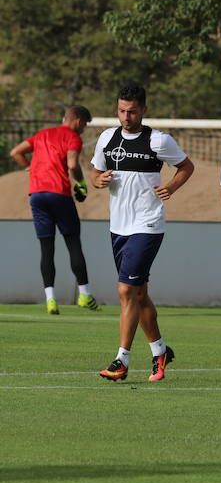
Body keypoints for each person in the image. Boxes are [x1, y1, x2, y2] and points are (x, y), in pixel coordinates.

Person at [91, 83, 194, 383]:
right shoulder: (106, 138)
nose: (126, 116)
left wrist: (171, 186)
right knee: (138, 293)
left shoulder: (158, 140)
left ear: (144, 110)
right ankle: (160, 351)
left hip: (147, 225)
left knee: (125, 290)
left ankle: (121, 360)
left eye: (132, 111)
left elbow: (187, 166)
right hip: (118, 226)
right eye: (122, 110)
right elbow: (96, 172)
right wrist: (99, 181)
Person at [10, 105, 99, 315]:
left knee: (46, 249)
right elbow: (72, 164)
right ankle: (84, 295)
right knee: (73, 243)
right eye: (85, 124)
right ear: (77, 120)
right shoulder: (72, 137)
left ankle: (51, 300)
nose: (84, 129)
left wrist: (29, 169)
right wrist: (81, 184)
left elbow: (16, 152)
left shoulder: (42, 134)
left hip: (37, 195)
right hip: (59, 194)